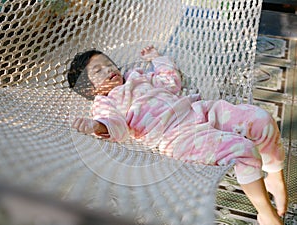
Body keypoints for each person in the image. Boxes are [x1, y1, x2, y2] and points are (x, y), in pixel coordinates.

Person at [68, 46, 288, 225]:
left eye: (107, 64)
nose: (108, 69)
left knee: (261, 119)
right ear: (90, 90)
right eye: (98, 71)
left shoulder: (138, 76)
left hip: (198, 110)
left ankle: (274, 174)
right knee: (243, 149)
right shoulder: (106, 102)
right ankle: (265, 213)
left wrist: (158, 59)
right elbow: (116, 126)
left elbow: (171, 83)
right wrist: (96, 126)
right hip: (177, 137)